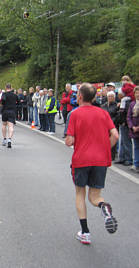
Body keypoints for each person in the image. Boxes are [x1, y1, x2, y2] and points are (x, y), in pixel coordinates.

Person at [65, 83, 118, 245]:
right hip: (100, 160)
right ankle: (104, 207)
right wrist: (104, 149)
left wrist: (69, 139)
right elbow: (115, 135)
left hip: (81, 159)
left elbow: (69, 141)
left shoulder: (74, 114)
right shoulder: (103, 113)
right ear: (95, 97)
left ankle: (85, 232)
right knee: (95, 196)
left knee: (80, 194)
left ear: (79, 96)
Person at [116, 89, 133, 166]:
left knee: (126, 142)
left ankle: (128, 159)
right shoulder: (122, 102)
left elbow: (127, 113)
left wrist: (124, 122)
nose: (118, 95)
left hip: (125, 124)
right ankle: (122, 157)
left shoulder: (127, 102)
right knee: (122, 142)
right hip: (121, 123)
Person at [101, 91, 119, 160]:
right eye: (109, 96)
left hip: (113, 125)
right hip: (104, 125)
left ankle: (112, 155)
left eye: (111, 96)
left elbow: (117, 116)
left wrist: (111, 121)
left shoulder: (116, 105)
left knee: (112, 139)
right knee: (104, 139)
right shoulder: (103, 105)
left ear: (114, 97)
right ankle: (105, 153)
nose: (110, 98)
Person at [127, 86, 139, 173]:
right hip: (134, 129)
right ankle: (136, 164)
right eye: (136, 93)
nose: (137, 94)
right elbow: (128, 117)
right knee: (136, 147)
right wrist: (132, 126)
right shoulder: (132, 104)